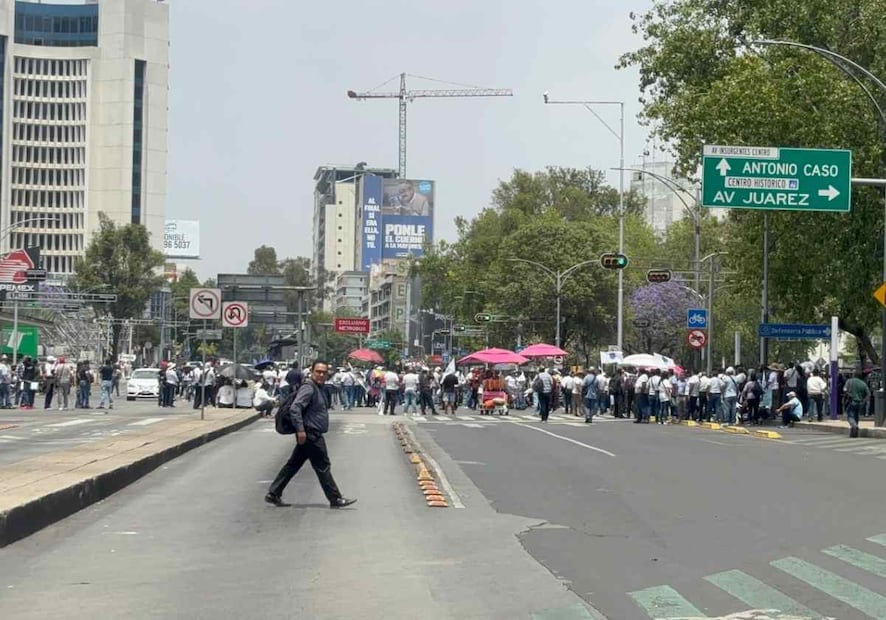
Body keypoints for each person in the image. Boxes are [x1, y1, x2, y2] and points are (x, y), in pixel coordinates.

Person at [265, 360, 356, 509]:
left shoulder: (317, 388)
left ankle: (274, 493)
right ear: (312, 372)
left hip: (310, 433)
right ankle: (335, 498)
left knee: (293, 464)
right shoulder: (309, 388)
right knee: (322, 465)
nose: (321, 375)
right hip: (310, 434)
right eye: (318, 372)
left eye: (324, 372)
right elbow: (295, 408)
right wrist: (300, 430)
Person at [843, 369, 870, 438]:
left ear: (854, 375)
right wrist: (864, 401)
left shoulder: (849, 381)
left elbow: (845, 390)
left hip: (851, 401)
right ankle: (854, 432)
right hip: (860, 402)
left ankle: (854, 426)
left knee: (850, 416)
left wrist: (848, 394)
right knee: (856, 416)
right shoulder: (863, 383)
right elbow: (868, 394)